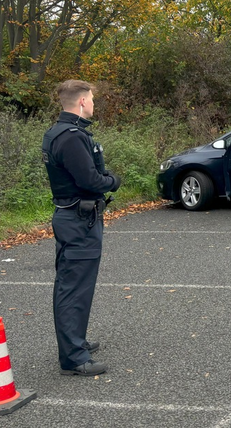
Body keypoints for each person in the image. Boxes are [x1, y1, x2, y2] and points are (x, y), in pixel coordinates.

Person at [41, 80, 121, 376]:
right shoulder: (72, 137)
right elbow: (91, 180)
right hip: (78, 219)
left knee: (74, 284)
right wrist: (113, 181)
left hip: (73, 217)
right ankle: (73, 357)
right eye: (91, 99)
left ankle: (76, 342)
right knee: (73, 287)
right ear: (83, 102)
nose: (93, 104)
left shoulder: (57, 132)